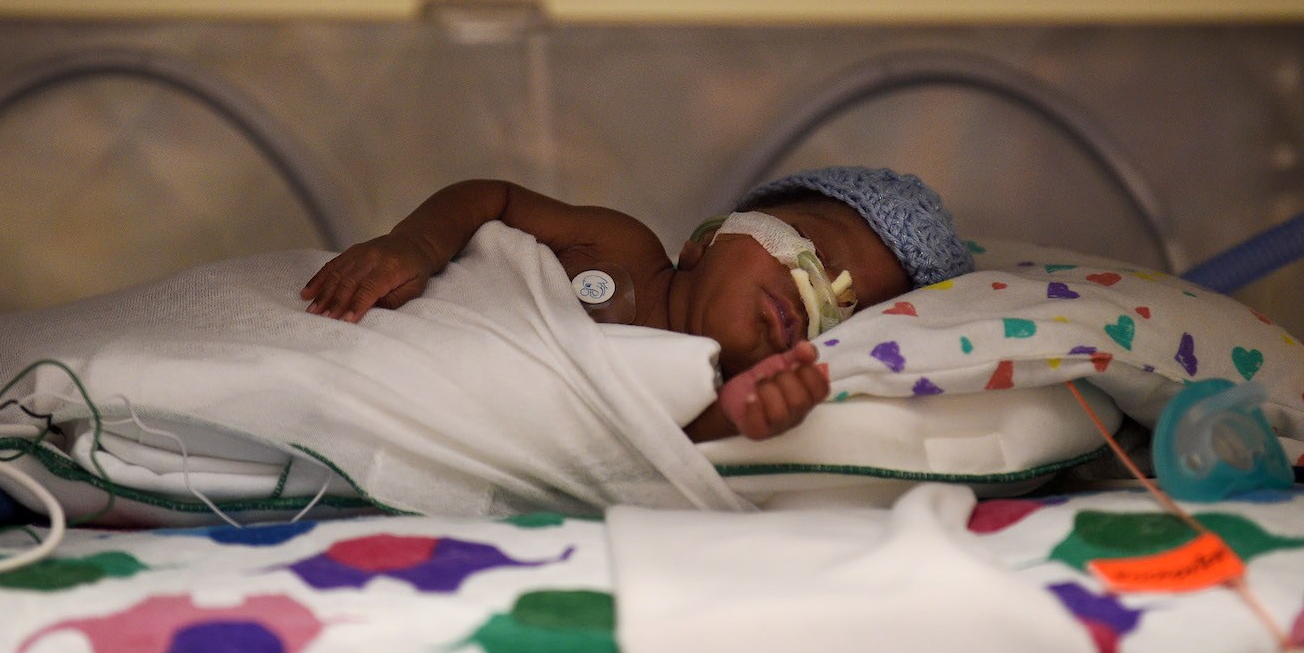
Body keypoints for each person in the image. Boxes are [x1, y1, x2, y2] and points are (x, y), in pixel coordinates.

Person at [302, 166, 972, 445]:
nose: (821, 294)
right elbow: (493, 199)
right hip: (357, 327)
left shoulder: (710, 390)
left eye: (851, 307)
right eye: (821, 250)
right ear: (708, 238)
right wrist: (412, 244)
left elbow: (664, 445)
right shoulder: (621, 244)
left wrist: (754, 412)